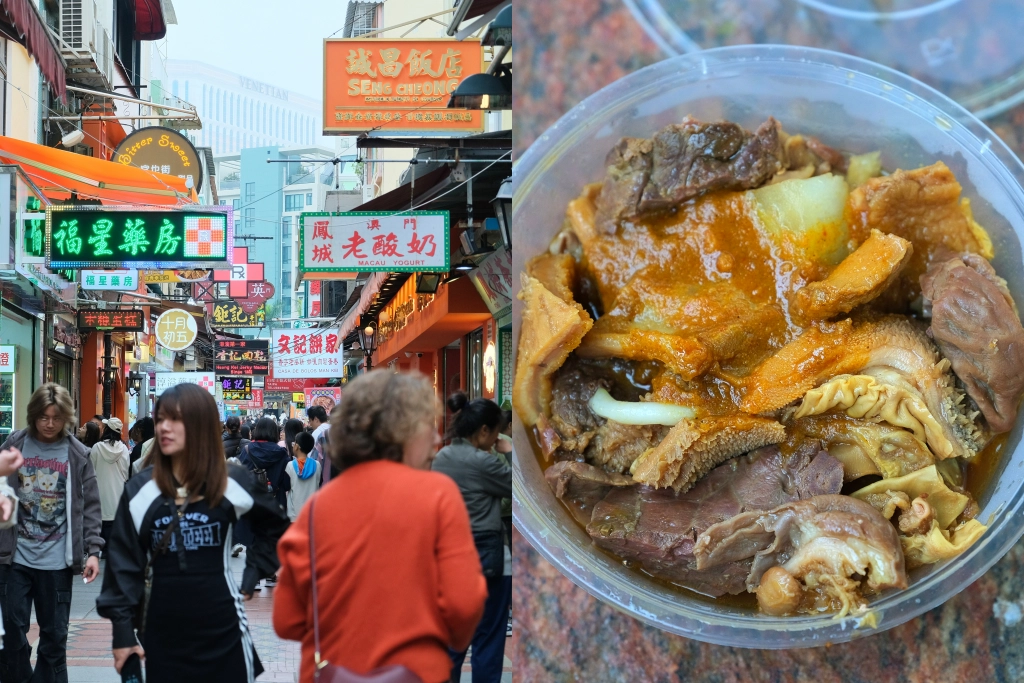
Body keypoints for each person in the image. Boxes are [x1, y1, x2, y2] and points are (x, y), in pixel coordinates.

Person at [273, 371, 486, 683]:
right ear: (403, 431)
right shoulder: (438, 495)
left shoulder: (318, 508)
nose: (436, 439)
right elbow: (463, 604)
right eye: (429, 426)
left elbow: (286, 620)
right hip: (417, 673)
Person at [95, 383, 288, 683]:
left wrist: (253, 573)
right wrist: (122, 634)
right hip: (161, 632)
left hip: (225, 630)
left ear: (199, 425)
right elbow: (122, 566)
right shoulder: (140, 489)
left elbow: (276, 528)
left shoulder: (231, 481)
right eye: (160, 419)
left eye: (175, 420)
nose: (164, 427)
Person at [0, 383, 104, 682]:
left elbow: (91, 506)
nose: (49, 424)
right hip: (14, 559)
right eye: (43, 417)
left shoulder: (77, 454)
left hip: (57, 562)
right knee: (11, 636)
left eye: (56, 418)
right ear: (33, 415)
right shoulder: (14, 445)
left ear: (66, 418)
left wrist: (93, 550)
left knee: (55, 640)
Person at [432, 393, 513, 683]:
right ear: (483, 430)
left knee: (453, 640)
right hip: (488, 558)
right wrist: (508, 451)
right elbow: (520, 488)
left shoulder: (442, 457)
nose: (496, 439)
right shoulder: (483, 462)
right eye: (496, 432)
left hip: (450, 560)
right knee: (488, 639)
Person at [235, 418, 290, 574]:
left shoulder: (246, 451)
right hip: (275, 497)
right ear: (275, 432)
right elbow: (286, 482)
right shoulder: (281, 453)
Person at [90, 418, 130, 553]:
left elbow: (91, 470)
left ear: (107, 430)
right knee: (114, 519)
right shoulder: (124, 449)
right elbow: (126, 471)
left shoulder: (97, 447)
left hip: (99, 489)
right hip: (117, 490)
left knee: (101, 519)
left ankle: (101, 547)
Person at [284, 432, 320, 522]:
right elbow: (319, 482)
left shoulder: (290, 465)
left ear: (297, 446)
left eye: (294, 443)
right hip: (312, 512)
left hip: (294, 514)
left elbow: (286, 486)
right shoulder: (317, 465)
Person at [305, 405, 331, 485]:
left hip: (322, 478)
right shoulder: (333, 429)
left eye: (310, 421)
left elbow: (313, 458)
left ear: (316, 419)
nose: (310, 424)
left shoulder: (317, 433)